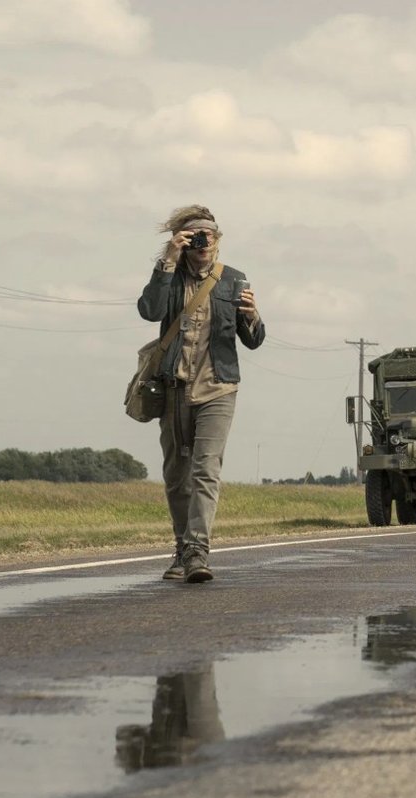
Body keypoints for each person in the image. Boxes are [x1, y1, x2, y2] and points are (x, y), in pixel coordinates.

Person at [138, 205, 265, 584]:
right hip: (174, 387)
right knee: (177, 476)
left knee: (206, 470)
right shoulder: (170, 276)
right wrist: (167, 260)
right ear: (183, 241)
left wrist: (253, 315)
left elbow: (253, 340)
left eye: (207, 236)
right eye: (194, 236)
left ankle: (197, 552)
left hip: (218, 387)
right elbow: (150, 311)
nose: (202, 242)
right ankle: (182, 549)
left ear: (218, 240)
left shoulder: (234, 280)